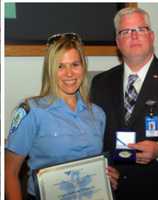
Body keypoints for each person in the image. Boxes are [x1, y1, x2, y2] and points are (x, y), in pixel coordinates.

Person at [90, 7, 158, 200]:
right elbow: (94, 136)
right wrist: (100, 169)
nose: (134, 36)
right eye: (126, 32)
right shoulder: (100, 83)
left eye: (140, 29)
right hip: (115, 190)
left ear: (152, 36)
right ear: (117, 42)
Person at [5, 32, 119, 200]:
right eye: (60, 66)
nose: (69, 73)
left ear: (83, 67)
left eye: (75, 64)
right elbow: (9, 172)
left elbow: (95, 166)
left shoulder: (97, 114)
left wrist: (107, 177)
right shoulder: (31, 111)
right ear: (50, 70)